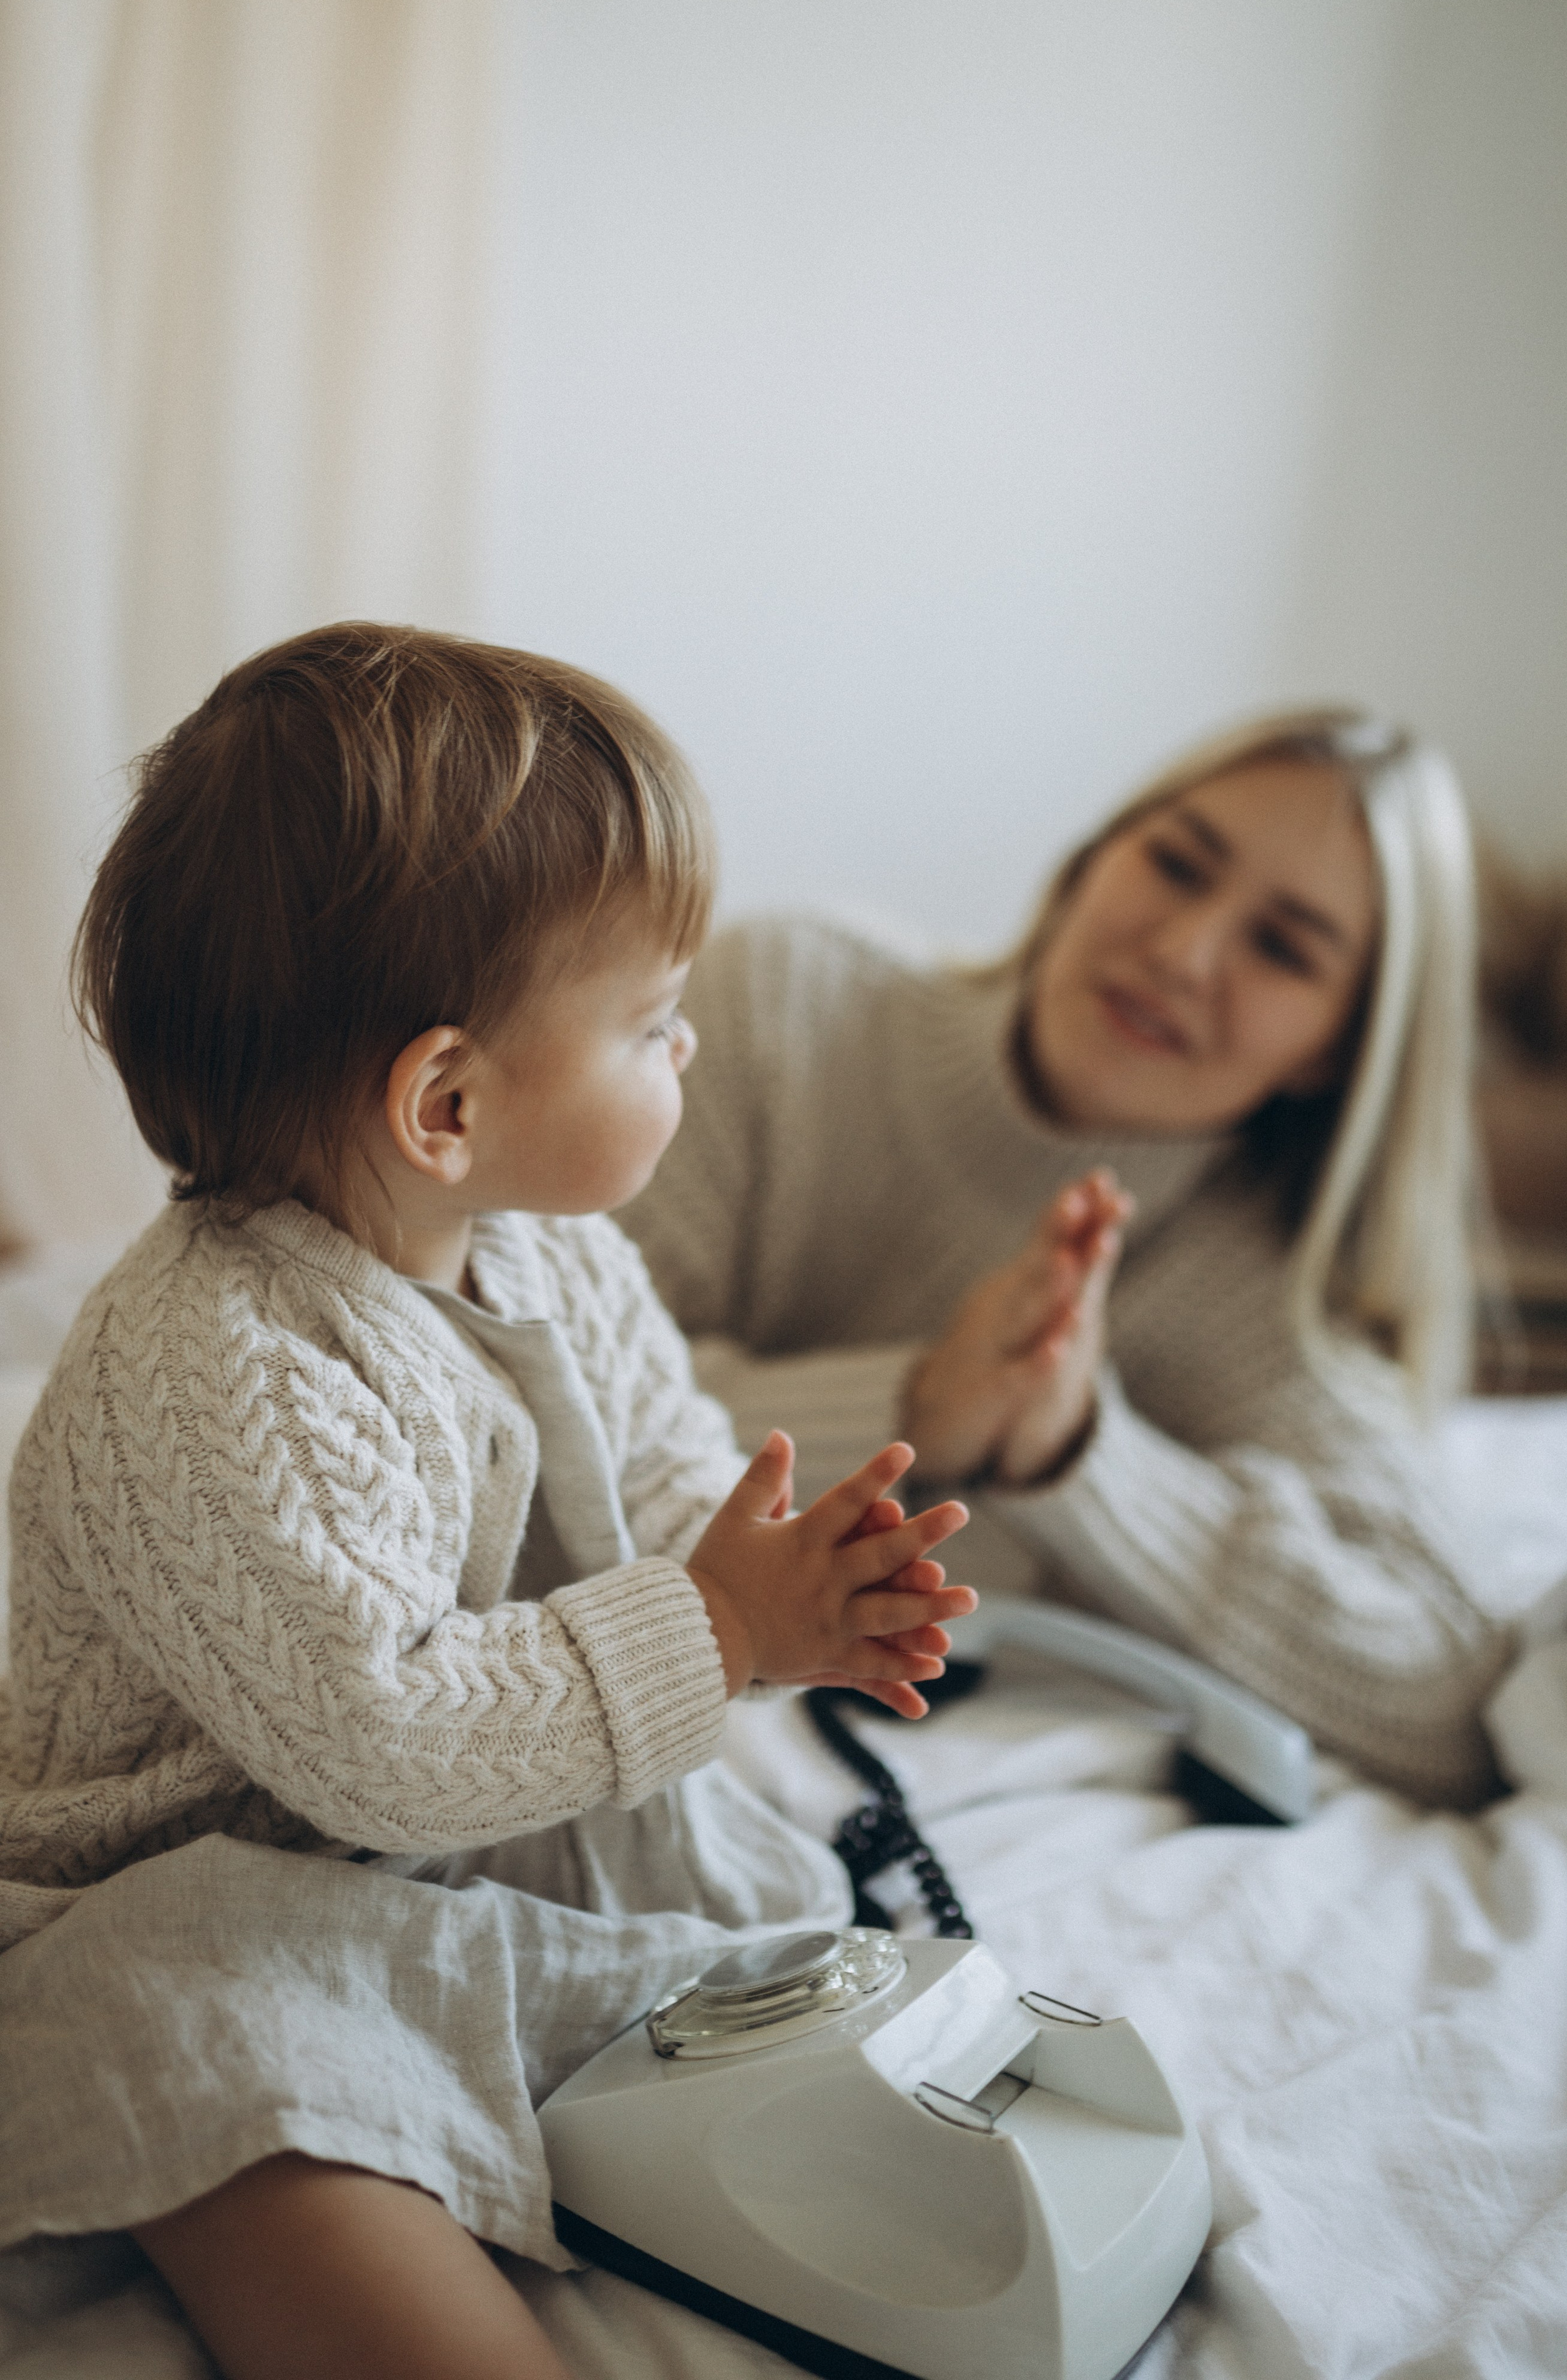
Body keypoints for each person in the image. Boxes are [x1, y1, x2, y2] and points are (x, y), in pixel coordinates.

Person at [0, 625, 973, 2380]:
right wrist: (718, 1625)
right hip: (173, 1886)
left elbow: (664, 1472)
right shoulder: (214, 1368)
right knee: (226, 2074)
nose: (687, 1057)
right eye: (655, 1024)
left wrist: (783, 1588)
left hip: (453, 1832)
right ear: (448, 1102)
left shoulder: (545, 1253)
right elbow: (387, 1741)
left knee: (741, 1923)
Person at [622, 708, 1511, 1811]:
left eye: (1283, 948)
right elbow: (516, 1394)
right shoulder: (774, 1006)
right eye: (1177, 865)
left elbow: (1447, 1695)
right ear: (1095, 859)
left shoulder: (1272, 1291)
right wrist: (918, 1412)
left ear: (1339, 1046)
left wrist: (1079, 1456)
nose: (1182, 954)